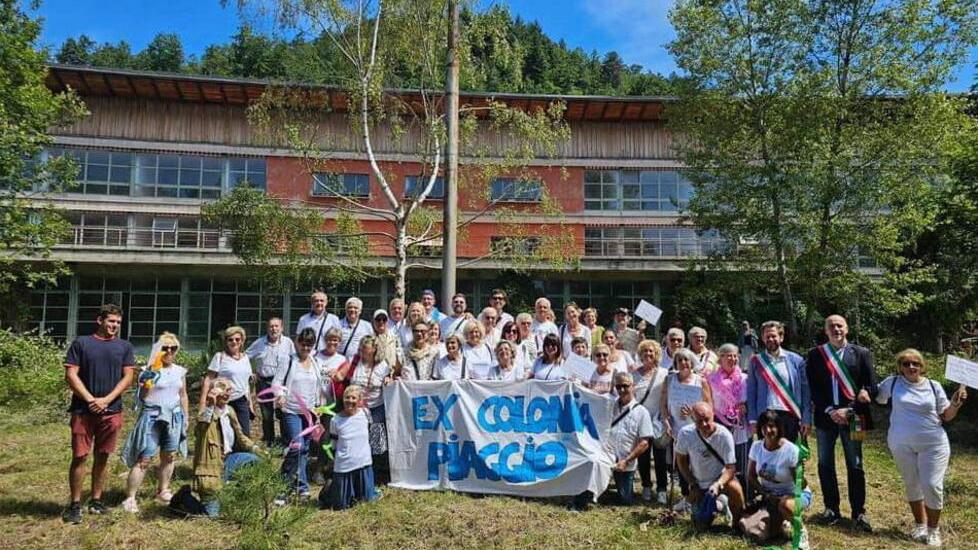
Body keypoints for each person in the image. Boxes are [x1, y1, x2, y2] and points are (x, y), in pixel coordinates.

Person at [876, 349, 968, 547]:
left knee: (932, 485)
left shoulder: (933, 386)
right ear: (900, 367)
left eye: (915, 363)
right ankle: (920, 525)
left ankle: (933, 531)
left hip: (933, 444)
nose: (911, 367)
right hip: (900, 443)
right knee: (911, 483)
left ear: (922, 366)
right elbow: (875, 396)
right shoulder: (891, 383)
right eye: (906, 363)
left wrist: (956, 404)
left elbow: (946, 415)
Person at [62, 304, 137, 524]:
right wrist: (89, 399)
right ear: (100, 320)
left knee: (103, 456)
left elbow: (128, 378)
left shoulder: (124, 346)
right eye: (111, 321)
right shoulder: (82, 343)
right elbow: (71, 374)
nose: (114, 326)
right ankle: (75, 504)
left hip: (111, 411)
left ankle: (96, 500)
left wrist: (106, 400)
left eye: (118, 323)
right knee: (80, 456)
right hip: (83, 411)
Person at [805, 314, 877, 531]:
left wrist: (850, 409)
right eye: (831, 326)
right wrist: (830, 410)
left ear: (846, 328)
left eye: (839, 325)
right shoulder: (816, 355)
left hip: (856, 417)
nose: (836, 329)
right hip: (826, 418)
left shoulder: (862, 353)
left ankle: (858, 512)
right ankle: (831, 509)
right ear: (825, 331)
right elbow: (813, 388)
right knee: (825, 463)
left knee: (855, 463)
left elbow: (873, 387)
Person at [120, 332, 189, 513]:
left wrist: (186, 418)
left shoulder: (180, 371)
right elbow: (141, 398)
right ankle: (130, 497)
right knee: (144, 457)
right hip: (152, 416)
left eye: (173, 348)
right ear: (158, 350)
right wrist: (146, 383)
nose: (169, 351)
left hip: (174, 416)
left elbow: (183, 395)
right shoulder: (147, 370)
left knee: (169, 455)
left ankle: (163, 490)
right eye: (164, 348)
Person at [273, 328, 332, 499]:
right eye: (303, 344)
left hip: (309, 413)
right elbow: (277, 382)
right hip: (291, 410)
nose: (305, 348)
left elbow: (319, 387)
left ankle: (301, 485)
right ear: (297, 342)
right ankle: (282, 484)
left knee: (304, 449)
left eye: (309, 345)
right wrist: (280, 395)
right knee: (296, 446)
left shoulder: (315, 362)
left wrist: (319, 406)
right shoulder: (289, 360)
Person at [192, 378, 259, 517]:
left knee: (255, 460)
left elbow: (240, 436)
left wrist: (256, 448)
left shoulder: (229, 411)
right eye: (223, 390)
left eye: (229, 390)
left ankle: (237, 494)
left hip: (229, 460)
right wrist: (210, 404)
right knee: (212, 516)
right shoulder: (206, 415)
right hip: (212, 468)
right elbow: (202, 425)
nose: (227, 394)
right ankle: (186, 501)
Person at [744, 411, 811, 548]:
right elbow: (750, 476)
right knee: (746, 525)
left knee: (784, 505)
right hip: (769, 497)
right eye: (764, 427)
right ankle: (782, 523)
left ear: (779, 428)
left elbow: (802, 485)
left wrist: (799, 473)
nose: (768, 430)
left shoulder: (790, 450)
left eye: (772, 426)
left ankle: (800, 530)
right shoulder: (756, 446)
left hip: (794, 495)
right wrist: (765, 494)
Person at [675, 402, 746, 530]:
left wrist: (718, 484)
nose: (704, 425)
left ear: (713, 415)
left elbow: (731, 467)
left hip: (720, 480)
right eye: (699, 421)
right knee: (700, 526)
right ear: (692, 419)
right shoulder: (685, 434)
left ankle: (736, 523)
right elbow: (681, 460)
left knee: (735, 488)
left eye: (706, 420)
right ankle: (720, 504)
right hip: (699, 483)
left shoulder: (724, 435)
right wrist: (692, 482)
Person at [746, 321, 811, 443]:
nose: (770, 339)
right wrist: (753, 420)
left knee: (788, 456)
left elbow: (805, 392)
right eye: (767, 336)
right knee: (767, 457)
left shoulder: (796, 360)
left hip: (790, 414)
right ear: (763, 338)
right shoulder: (756, 361)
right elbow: (751, 392)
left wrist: (806, 419)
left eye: (774, 336)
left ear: (781, 337)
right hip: (765, 415)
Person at [321, 385, 379, 510]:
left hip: (363, 462)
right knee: (341, 505)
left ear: (359, 401)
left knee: (367, 501)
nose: (350, 401)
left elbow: (370, 433)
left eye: (354, 398)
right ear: (343, 399)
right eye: (347, 397)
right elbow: (334, 443)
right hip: (344, 465)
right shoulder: (335, 420)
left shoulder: (365, 413)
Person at [246, 317, 296, 446]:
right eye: (271, 326)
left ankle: (285, 440)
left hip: (282, 382)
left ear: (282, 328)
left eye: (276, 326)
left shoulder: (288, 342)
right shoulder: (259, 343)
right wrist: (251, 372)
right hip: (263, 381)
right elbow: (245, 357)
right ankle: (269, 440)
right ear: (267, 328)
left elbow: (294, 360)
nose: (274, 329)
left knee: (283, 411)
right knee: (266, 414)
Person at [349, 336, 393, 482]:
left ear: (374, 349)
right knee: (359, 440)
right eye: (361, 348)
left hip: (376, 408)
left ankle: (377, 474)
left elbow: (390, 378)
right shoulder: (355, 362)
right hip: (357, 409)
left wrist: (389, 378)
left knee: (377, 443)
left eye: (366, 349)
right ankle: (358, 471)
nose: (363, 351)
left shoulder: (383, 365)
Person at [633, 339, 670, 504]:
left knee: (660, 457)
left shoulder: (664, 373)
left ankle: (662, 489)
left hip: (659, 420)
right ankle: (646, 485)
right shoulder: (633, 374)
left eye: (651, 351)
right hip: (640, 421)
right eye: (644, 351)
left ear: (656, 354)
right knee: (643, 456)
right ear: (640, 354)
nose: (648, 354)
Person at [199, 326, 255, 437]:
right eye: (230, 339)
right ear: (226, 341)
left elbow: (246, 382)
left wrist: (250, 403)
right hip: (222, 401)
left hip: (241, 401)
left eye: (237, 339)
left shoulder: (245, 358)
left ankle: (240, 454)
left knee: (244, 434)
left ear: (242, 341)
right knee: (223, 434)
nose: (234, 342)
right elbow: (208, 379)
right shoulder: (220, 357)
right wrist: (203, 402)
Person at [708, 344, 749, 492]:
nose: (732, 358)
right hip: (719, 423)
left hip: (740, 426)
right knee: (720, 460)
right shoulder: (711, 379)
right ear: (720, 358)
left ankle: (744, 496)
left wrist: (746, 406)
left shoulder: (745, 378)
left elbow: (751, 399)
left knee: (741, 463)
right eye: (728, 355)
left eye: (735, 355)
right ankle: (720, 493)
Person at [372, 309, 402, 374]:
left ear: (387, 321)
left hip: (391, 377)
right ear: (374, 322)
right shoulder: (369, 339)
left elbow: (399, 359)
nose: (381, 322)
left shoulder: (395, 338)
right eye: (378, 319)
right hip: (374, 376)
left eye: (384, 319)